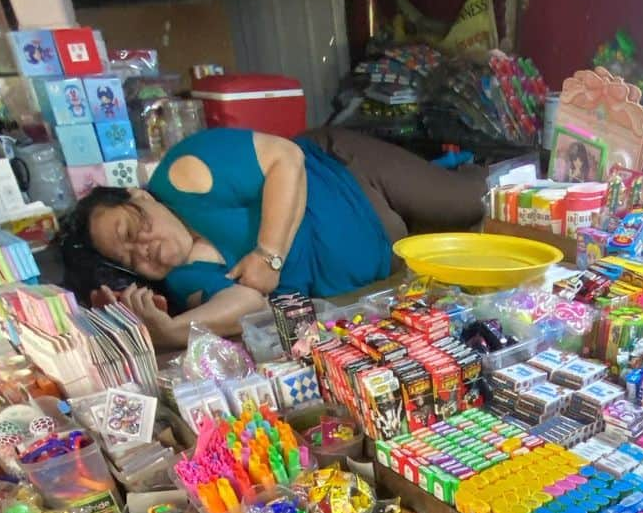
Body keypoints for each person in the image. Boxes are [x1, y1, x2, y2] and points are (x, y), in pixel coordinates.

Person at [61, 126, 488, 348]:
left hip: (353, 175)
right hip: (385, 249)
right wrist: (170, 330)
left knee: (472, 204)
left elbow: (287, 157)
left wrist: (269, 254)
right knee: (456, 255)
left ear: (139, 196)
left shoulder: (185, 171)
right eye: (130, 258)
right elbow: (248, 303)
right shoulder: (184, 277)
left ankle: (469, 167)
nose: (144, 247)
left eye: (132, 230)